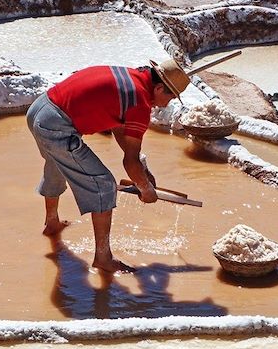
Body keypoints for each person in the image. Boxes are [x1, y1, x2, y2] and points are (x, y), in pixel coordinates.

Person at [26, 58, 190, 272]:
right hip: (56, 126)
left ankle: (52, 223)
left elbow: (120, 127)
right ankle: (103, 258)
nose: (168, 104)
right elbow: (129, 162)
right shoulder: (140, 103)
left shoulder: (132, 78)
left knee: (58, 162)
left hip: (39, 109)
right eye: (170, 97)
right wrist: (146, 189)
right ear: (159, 87)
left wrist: (142, 169)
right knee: (104, 185)